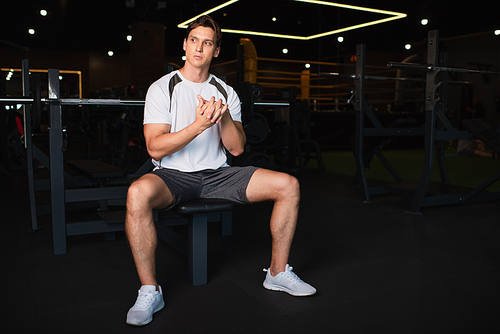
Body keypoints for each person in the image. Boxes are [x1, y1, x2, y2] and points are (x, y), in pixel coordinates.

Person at [125, 15, 316, 327]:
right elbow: (155, 148)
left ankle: (278, 272)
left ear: (215, 51)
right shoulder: (162, 88)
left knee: (288, 185)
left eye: (208, 42)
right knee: (137, 194)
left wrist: (223, 117)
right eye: (194, 40)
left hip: (219, 175)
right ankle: (150, 289)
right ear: (185, 45)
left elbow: (237, 148)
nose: (200, 47)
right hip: (173, 176)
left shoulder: (226, 91)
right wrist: (199, 124)